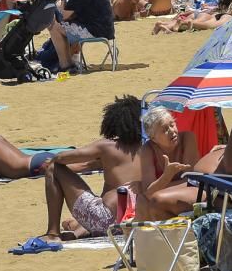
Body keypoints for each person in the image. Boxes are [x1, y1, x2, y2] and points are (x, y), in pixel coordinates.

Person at [25, 95, 144, 249]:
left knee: (53, 168)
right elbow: (88, 165)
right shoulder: (147, 148)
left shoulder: (107, 147)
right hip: (130, 221)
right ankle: (79, 231)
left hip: (104, 220)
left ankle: (53, 233)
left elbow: (65, 157)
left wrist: (53, 161)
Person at [47, 0, 114, 74]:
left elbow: (63, 16)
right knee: (65, 27)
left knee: (53, 26)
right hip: (106, 30)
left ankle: (65, 64)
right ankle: (70, 62)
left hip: (96, 31)